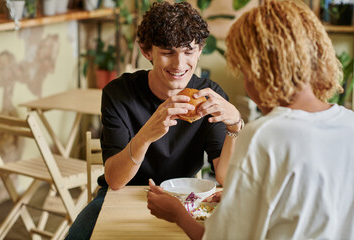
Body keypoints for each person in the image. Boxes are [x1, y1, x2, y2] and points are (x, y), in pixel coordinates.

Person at [146, 0, 354, 239]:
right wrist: (243, 196)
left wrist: (178, 213)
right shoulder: (350, 123)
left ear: (257, 70)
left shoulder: (264, 135)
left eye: (243, 70)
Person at [65, 1, 241, 239]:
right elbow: (115, 181)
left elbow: (224, 177)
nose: (179, 64)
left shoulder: (210, 96)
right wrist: (148, 132)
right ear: (146, 51)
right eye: (168, 53)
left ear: (200, 50)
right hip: (121, 195)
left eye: (188, 51)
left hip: (183, 200)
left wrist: (234, 125)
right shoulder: (119, 93)